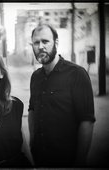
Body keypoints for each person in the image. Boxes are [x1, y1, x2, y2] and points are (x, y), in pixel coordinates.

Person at [28, 24, 96, 168]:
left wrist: (79, 162)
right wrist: (32, 143)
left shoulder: (77, 74)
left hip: (67, 160)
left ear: (56, 43)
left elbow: (87, 121)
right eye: (36, 42)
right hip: (40, 159)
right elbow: (32, 110)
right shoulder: (35, 77)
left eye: (45, 41)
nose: (40, 46)